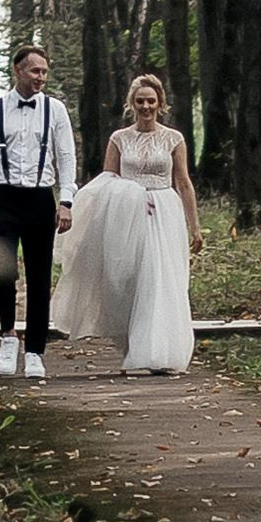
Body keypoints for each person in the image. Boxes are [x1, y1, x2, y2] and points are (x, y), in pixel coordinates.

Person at [55, 72, 202, 375]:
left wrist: (194, 226)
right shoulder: (119, 139)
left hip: (164, 211)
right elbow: (108, 179)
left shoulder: (173, 139)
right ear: (131, 104)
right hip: (129, 213)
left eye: (151, 101)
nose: (146, 106)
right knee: (129, 279)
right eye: (140, 101)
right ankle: (133, 344)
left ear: (160, 103)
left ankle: (161, 351)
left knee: (161, 279)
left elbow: (183, 182)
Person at [0, 42, 76, 380]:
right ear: (18, 70)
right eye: (35, 71)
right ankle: (8, 336)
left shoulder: (55, 110)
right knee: (5, 272)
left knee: (40, 277)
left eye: (44, 71)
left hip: (40, 199)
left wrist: (67, 201)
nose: (40, 77)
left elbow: (67, 157)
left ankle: (35, 351)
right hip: (3, 198)